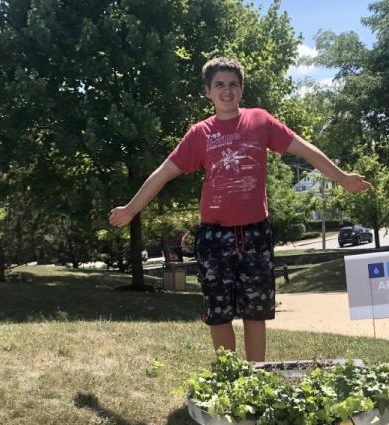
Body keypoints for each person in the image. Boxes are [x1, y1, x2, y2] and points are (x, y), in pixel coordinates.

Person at [109, 57, 371, 361]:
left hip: (255, 233)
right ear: (208, 91)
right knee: (218, 314)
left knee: (254, 312)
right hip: (215, 236)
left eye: (233, 84)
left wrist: (341, 177)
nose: (227, 91)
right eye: (219, 84)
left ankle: (254, 382)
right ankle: (230, 382)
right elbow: (163, 173)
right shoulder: (199, 134)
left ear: (242, 89)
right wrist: (131, 209)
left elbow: (304, 148)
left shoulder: (260, 121)